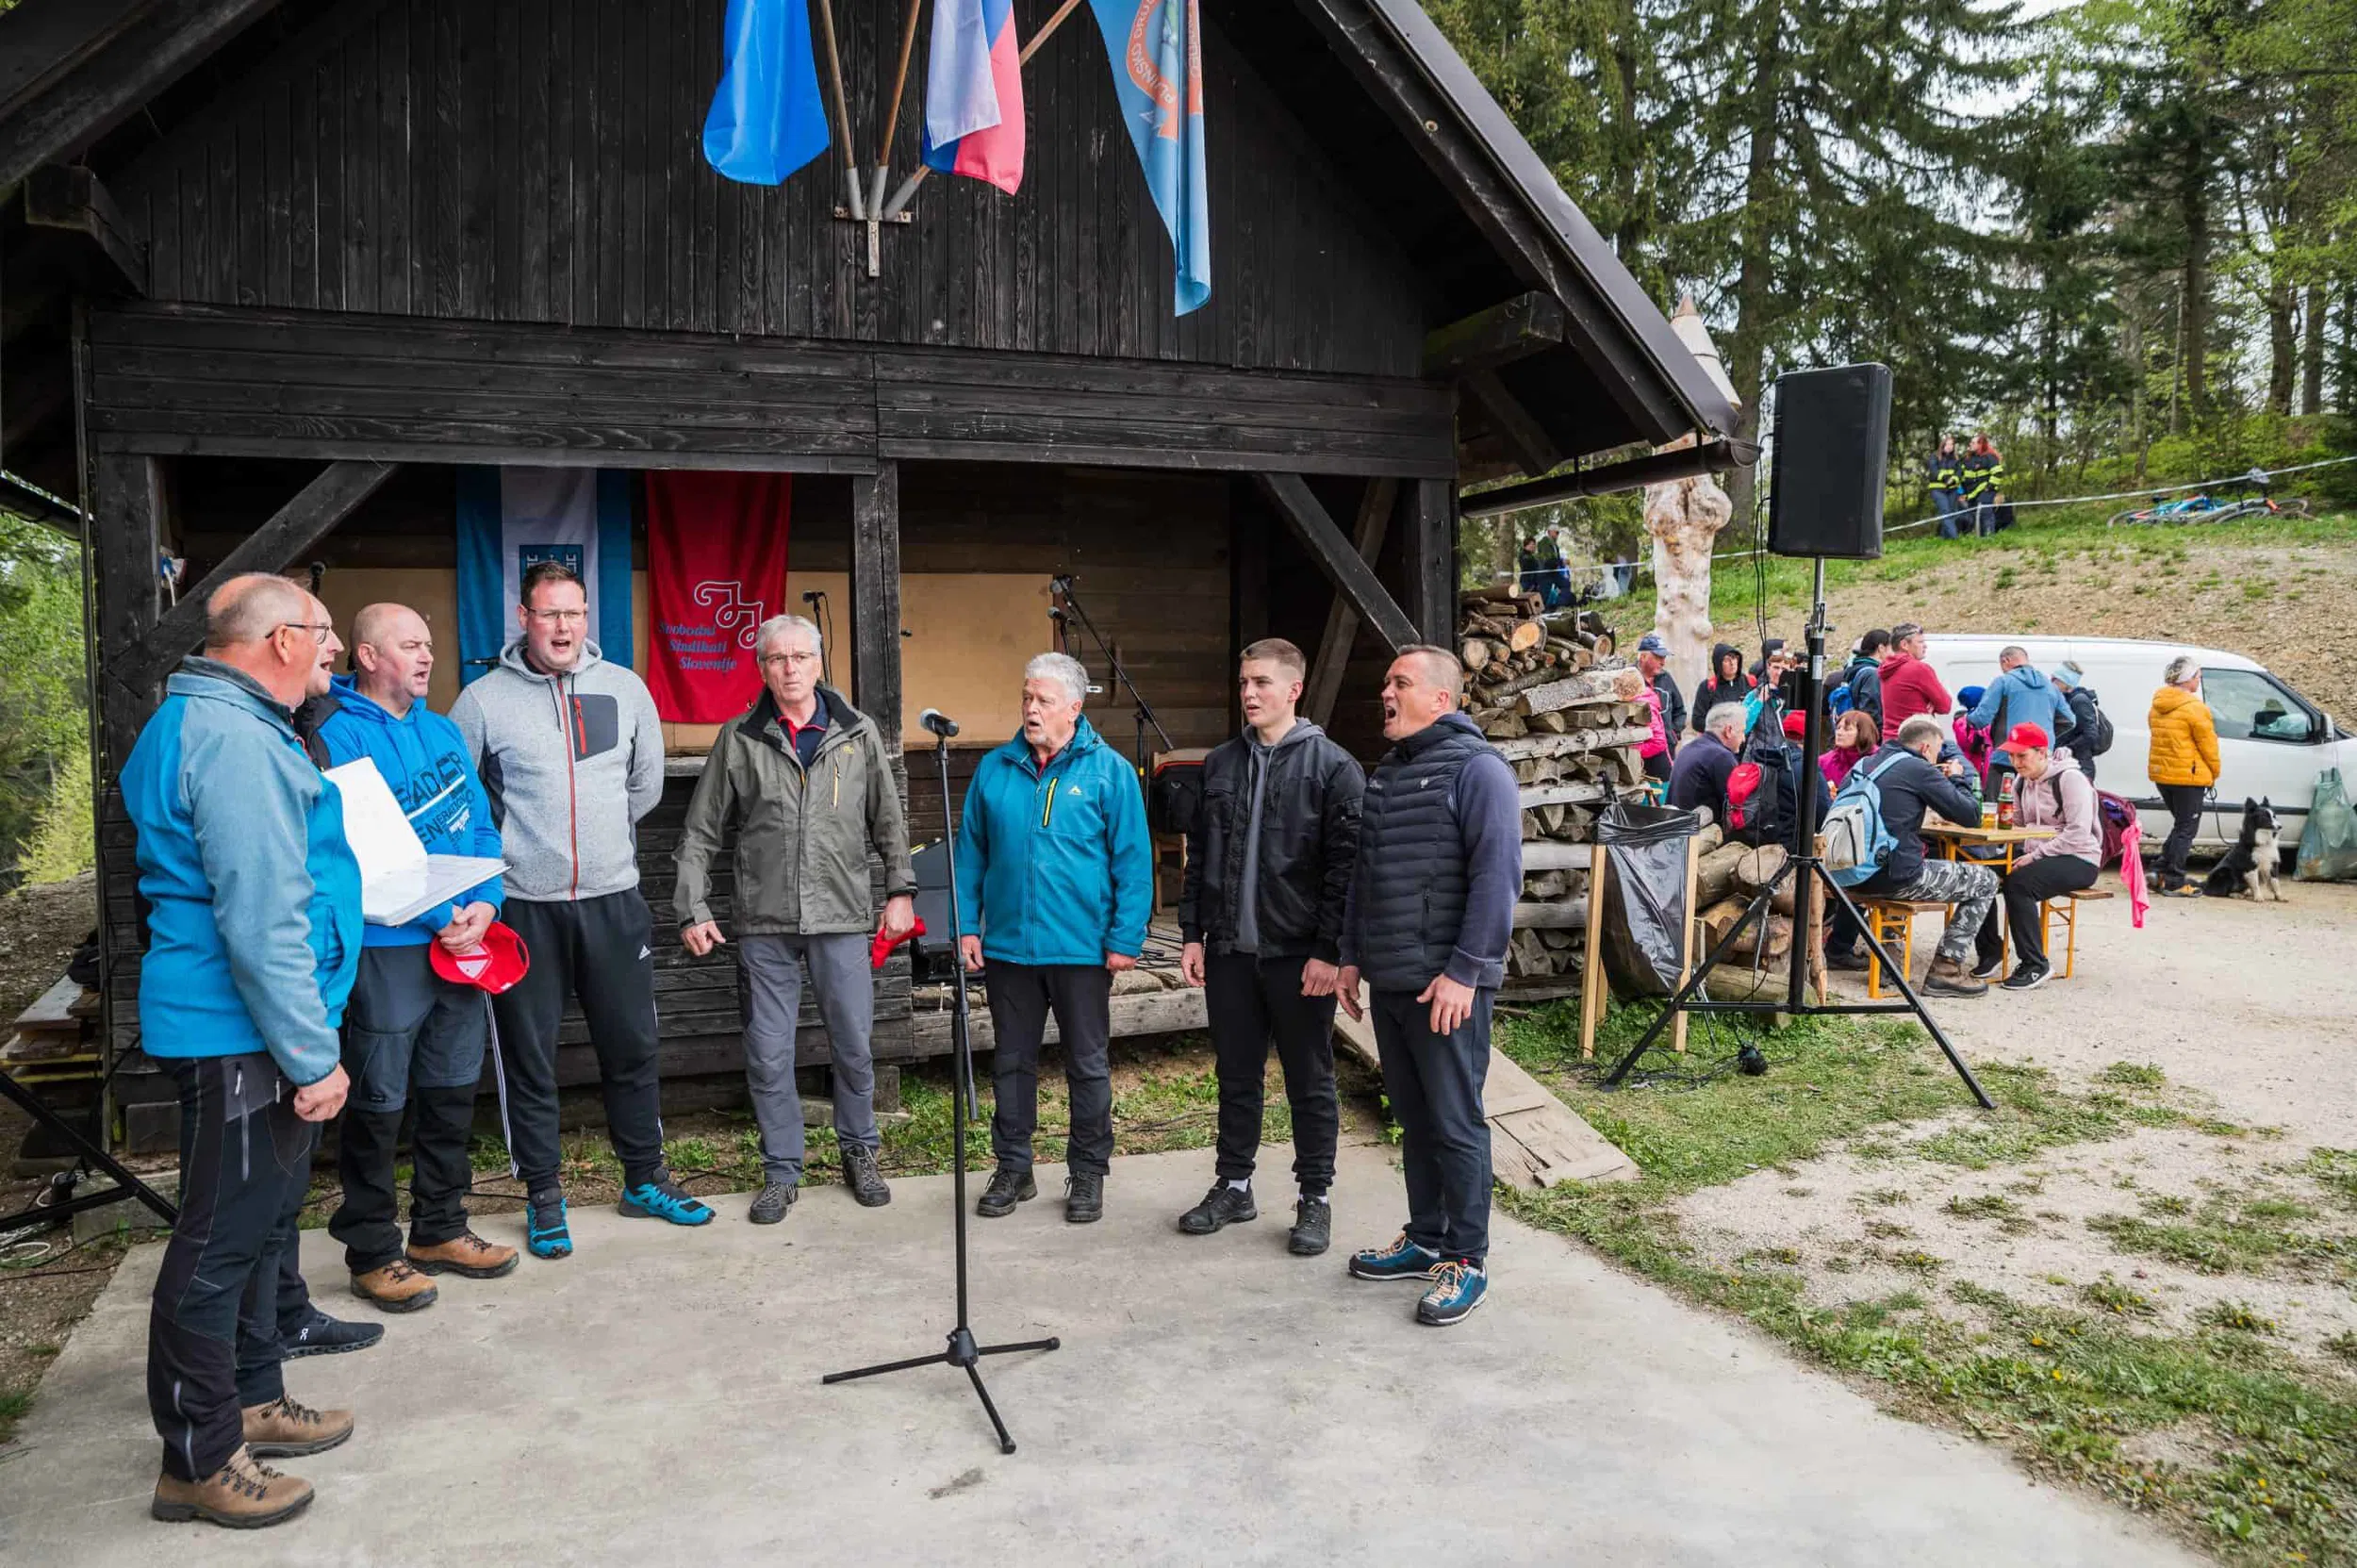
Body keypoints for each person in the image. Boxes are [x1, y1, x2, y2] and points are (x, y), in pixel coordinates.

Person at [122, 574, 362, 1529]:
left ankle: (255, 1393)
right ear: (277, 642)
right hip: (240, 1033)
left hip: (247, 1027)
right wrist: (312, 1057)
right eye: (324, 631)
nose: (333, 647)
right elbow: (260, 920)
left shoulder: (216, 721)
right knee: (218, 1244)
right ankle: (199, 1455)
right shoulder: (229, 739)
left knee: (261, 1227)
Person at [451, 559, 708, 1261]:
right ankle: (542, 1194)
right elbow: (459, 798)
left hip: (612, 898)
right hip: (523, 908)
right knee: (530, 1057)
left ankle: (644, 1178)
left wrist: (597, 843)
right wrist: (510, 856)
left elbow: (645, 784)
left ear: (587, 616)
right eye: (548, 613)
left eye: (574, 612)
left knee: (632, 1045)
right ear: (524, 618)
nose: (562, 626)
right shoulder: (481, 700)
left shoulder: (623, 690)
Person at [673, 615, 916, 1225]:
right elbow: (701, 831)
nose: (789, 668)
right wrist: (691, 905)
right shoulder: (740, 737)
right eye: (776, 659)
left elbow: (888, 821)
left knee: (855, 1047)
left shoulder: (856, 733)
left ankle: (860, 1151)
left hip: (840, 916)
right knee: (768, 1054)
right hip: (765, 923)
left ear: (817, 663)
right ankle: (782, 1170)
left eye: (800, 657)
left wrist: (900, 891)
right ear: (762, 669)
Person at [315, 604, 516, 1311]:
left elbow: (481, 827)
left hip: (463, 941)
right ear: (367, 655)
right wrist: (444, 915)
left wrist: (486, 903)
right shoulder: (332, 738)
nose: (426, 656)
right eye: (409, 645)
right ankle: (372, 1247)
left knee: (451, 1088)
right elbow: (356, 855)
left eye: (429, 643)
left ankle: (439, 1226)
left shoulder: (442, 730)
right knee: (378, 1099)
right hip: (390, 945)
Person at [1336, 647, 1518, 1329]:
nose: (1385, 691)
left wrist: (1465, 971)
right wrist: (1352, 956)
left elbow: (1497, 879)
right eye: (1387, 681)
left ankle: (1466, 1258)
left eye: (1400, 682)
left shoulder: (1479, 771)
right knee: (1412, 1115)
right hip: (1391, 980)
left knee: (1454, 1118)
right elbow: (1366, 874)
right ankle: (1425, 1236)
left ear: (1440, 698)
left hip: (1447, 985)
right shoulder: (1388, 773)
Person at [1175, 638, 1362, 1257]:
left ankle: (1315, 1198)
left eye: (1260, 682)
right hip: (1229, 951)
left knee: (1310, 1079)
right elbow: (1198, 853)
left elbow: (1347, 868)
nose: (1248, 693)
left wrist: (1330, 951)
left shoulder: (1333, 767)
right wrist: (1193, 933)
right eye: (1243, 682)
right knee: (1236, 1075)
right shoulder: (1221, 763)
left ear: (1293, 689)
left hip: (1298, 955)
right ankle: (1234, 1185)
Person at [958, 652, 1153, 1225]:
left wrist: (1124, 937)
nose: (1031, 708)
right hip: (1009, 949)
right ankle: (1013, 1169)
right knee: (1011, 1061)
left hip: (1082, 948)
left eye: (1043, 699)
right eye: (1026, 698)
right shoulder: (995, 768)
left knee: (1086, 1065)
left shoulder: (1109, 772)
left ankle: (1088, 1173)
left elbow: (1133, 861)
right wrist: (968, 925)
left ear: (1075, 705)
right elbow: (970, 856)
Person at [1848, 714, 2001, 997]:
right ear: (1926, 748)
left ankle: (1887, 965)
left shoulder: (1865, 763)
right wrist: (1958, 778)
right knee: (1985, 879)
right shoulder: (1918, 768)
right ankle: (1946, 970)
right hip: (1890, 875)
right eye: (1937, 751)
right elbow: (1970, 814)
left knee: (1903, 861)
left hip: (1847, 873)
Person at [1970, 724, 2100, 990]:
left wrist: (2035, 855)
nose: (2015, 763)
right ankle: (1991, 950)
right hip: (2038, 854)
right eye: (2012, 756)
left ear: (2042, 753)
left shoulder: (2070, 779)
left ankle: (2035, 964)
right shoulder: (2020, 782)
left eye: (2022, 756)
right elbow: (2015, 824)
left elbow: (2078, 831)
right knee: (1978, 876)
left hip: (2080, 858)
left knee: (2019, 884)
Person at [2147, 654, 2219, 898]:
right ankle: (2175, 880)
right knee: (2187, 829)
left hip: (2162, 776)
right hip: (2188, 777)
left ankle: (2159, 870)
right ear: (2188, 679)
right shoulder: (2195, 708)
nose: (2199, 681)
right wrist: (2214, 772)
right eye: (2198, 676)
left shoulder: (2157, 705)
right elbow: (2208, 745)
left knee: (2181, 826)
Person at [1968, 646, 2073, 793]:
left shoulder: (2003, 682)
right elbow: (2069, 720)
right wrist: (2040, 738)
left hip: (2006, 761)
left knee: (1999, 810)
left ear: (2006, 661)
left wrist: (1967, 718)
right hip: (2040, 762)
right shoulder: (2050, 687)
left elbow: (1981, 718)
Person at [1877, 622, 1952, 741]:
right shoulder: (1919, 669)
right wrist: (1932, 701)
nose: (1925, 646)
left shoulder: (1885, 669)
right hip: (1915, 740)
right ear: (1904, 644)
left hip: (1889, 741)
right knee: (1956, 755)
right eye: (1920, 642)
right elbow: (1945, 706)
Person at [1669, 702, 1746, 816]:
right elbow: (1736, 806)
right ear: (1728, 730)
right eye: (1742, 731)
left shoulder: (1688, 748)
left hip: (1675, 823)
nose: (1743, 739)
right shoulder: (1721, 756)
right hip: (1699, 830)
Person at [2049, 663, 2106, 783]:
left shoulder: (2079, 701)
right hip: (2070, 764)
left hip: (2079, 766)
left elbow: (2091, 734)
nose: (2051, 682)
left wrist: (2067, 748)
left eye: (2054, 679)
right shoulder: (2064, 700)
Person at [1689, 642, 1753, 736]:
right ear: (1718, 663)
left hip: (1748, 740)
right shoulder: (1708, 687)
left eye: (1735, 658)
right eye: (1727, 660)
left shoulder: (1750, 682)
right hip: (1719, 741)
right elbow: (1697, 721)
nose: (1732, 663)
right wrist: (1721, 729)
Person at [1636, 632, 1684, 753]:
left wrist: (1673, 733)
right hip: (1640, 750)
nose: (1663, 662)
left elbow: (1680, 710)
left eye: (1664, 657)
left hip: (1666, 748)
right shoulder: (1630, 679)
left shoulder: (1666, 678)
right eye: (1658, 657)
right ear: (1643, 657)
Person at [1838, 630, 1888, 733]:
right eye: (1891, 648)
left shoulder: (1856, 669)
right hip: (1868, 737)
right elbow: (1870, 711)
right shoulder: (1872, 674)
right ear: (1881, 648)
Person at [1821, 708, 1881, 791]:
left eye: (1847, 729)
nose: (1839, 733)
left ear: (1863, 732)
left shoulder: (1880, 761)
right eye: (1838, 728)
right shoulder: (1823, 762)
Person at [1960, 434, 2005, 536]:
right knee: (1975, 514)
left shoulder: (1989, 457)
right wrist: (1962, 492)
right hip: (1971, 493)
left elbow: (1997, 473)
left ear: (1980, 445)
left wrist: (1989, 487)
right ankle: (1981, 538)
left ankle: (1990, 535)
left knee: (1985, 511)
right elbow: (1962, 478)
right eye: (1970, 442)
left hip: (1986, 490)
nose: (1970, 444)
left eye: (1973, 443)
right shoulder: (1967, 460)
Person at [1927, 437, 1967, 538]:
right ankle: (1955, 538)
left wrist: (1954, 479)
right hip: (1938, 490)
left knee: (1953, 514)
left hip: (1952, 490)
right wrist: (1945, 478)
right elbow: (1934, 472)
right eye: (1947, 444)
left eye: (1952, 445)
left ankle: (1944, 538)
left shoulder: (1956, 459)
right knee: (1946, 512)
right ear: (1943, 445)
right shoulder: (1934, 457)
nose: (1950, 447)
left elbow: (1960, 473)